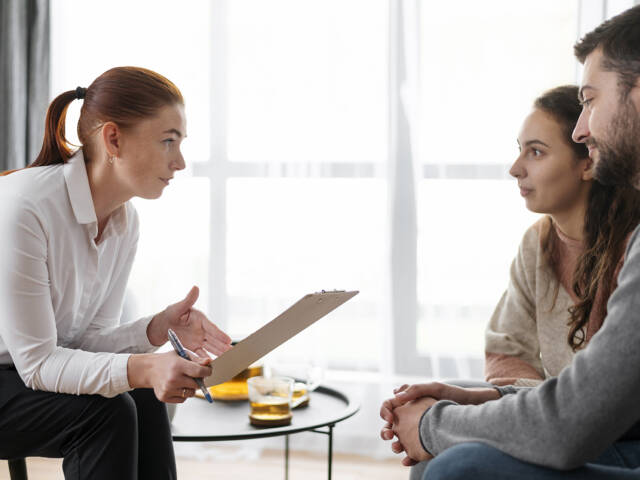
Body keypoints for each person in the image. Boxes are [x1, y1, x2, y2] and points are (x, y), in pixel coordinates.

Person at [380, 5, 640, 479]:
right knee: (439, 446)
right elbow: (513, 350)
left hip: (612, 434)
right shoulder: (537, 244)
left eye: (591, 101)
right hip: (581, 419)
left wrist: (435, 425)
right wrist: (481, 399)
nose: (585, 129)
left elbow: (579, 417)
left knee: (458, 465)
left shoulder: (632, 243)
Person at [0, 67, 232, 480]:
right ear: (113, 139)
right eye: (168, 142)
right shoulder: (24, 207)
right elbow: (38, 364)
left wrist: (157, 329)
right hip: (13, 375)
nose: (179, 162)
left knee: (139, 394)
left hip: (22, 372)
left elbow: (84, 344)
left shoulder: (125, 221)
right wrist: (145, 367)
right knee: (108, 412)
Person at [485, 85, 640, 388]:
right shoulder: (537, 243)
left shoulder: (630, 246)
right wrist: (532, 406)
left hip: (611, 428)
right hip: (555, 418)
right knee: (435, 398)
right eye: (520, 150)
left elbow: (607, 390)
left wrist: (534, 409)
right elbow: (506, 349)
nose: (515, 169)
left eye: (536, 152)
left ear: (588, 163)